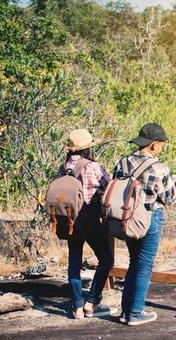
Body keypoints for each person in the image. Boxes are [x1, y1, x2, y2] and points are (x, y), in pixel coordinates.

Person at [113, 123, 176, 326]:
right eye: (161, 145)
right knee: (144, 265)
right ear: (154, 145)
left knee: (134, 262)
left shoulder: (122, 163)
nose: (162, 148)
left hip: (126, 219)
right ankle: (135, 312)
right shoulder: (159, 167)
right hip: (149, 218)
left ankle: (126, 311)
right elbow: (169, 198)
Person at [63, 129, 116, 319]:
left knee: (74, 262)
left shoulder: (65, 166)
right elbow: (109, 187)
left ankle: (77, 306)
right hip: (90, 219)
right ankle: (92, 302)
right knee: (106, 259)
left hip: (70, 221)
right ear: (88, 148)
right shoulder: (93, 167)